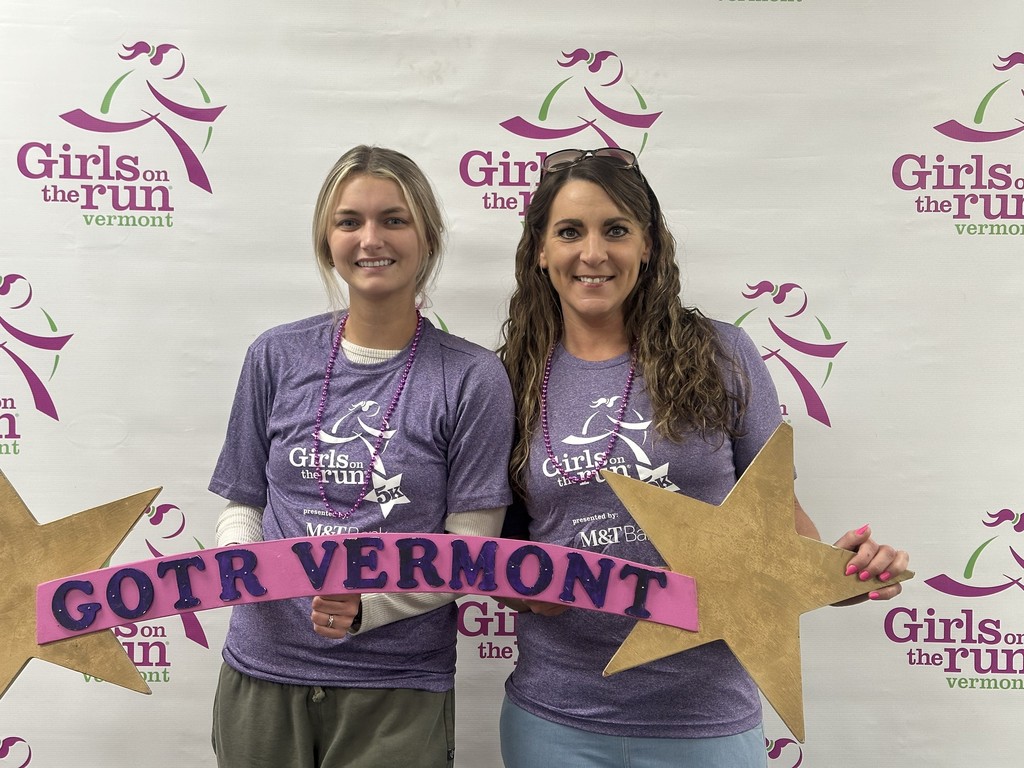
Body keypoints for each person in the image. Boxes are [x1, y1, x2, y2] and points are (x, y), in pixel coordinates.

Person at [496, 147, 910, 768]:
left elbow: (782, 528)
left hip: (706, 721)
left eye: (616, 230)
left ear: (648, 245)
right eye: (570, 232)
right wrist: (527, 591)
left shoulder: (722, 354)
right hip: (556, 722)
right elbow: (499, 551)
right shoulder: (508, 379)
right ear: (539, 250)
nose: (593, 253)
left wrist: (845, 574)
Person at [208, 145, 514, 768]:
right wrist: (243, 562)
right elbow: (243, 502)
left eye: (393, 220)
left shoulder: (472, 377)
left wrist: (368, 607)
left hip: (396, 686)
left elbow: (471, 550)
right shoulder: (275, 355)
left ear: (428, 237)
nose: (371, 239)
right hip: (264, 670)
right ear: (328, 242)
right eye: (350, 221)